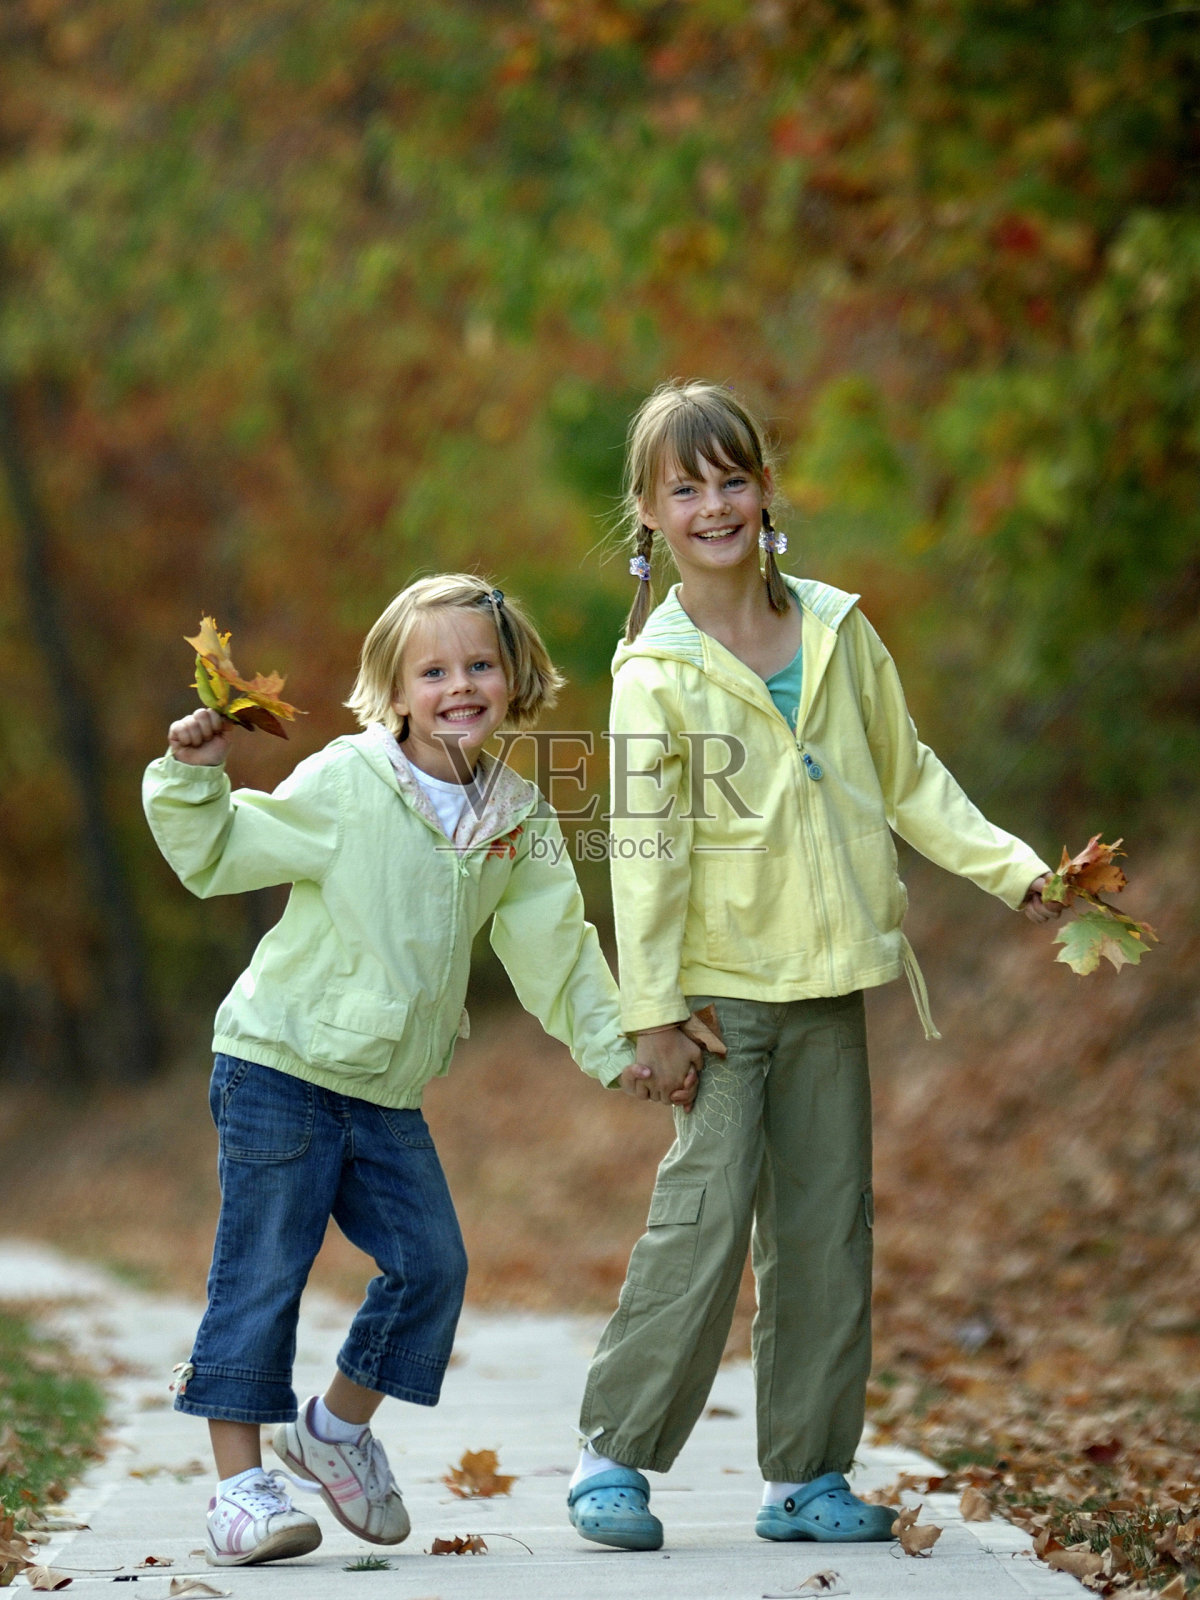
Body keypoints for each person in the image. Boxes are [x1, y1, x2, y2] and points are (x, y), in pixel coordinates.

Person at [566, 382, 1064, 1552]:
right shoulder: (656, 672)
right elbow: (644, 853)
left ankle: (806, 1474)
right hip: (718, 999)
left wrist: (1016, 871)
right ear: (649, 511)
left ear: (765, 488)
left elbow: (910, 777)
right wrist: (652, 1010)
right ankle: (615, 1454)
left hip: (830, 978)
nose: (714, 503)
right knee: (699, 1224)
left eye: (731, 477)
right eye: (685, 487)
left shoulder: (840, 630)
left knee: (828, 1231)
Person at [143, 573, 718, 1568]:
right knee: (262, 1272)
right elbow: (222, 852)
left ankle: (331, 1429)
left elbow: (558, 950)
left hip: (384, 1091)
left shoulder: (517, 816)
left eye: (481, 664)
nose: (461, 684)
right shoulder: (346, 781)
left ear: (514, 678)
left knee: (434, 1266)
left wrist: (619, 1045)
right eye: (435, 669)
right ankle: (240, 1487)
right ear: (396, 689)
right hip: (279, 1063)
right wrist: (193, 776)